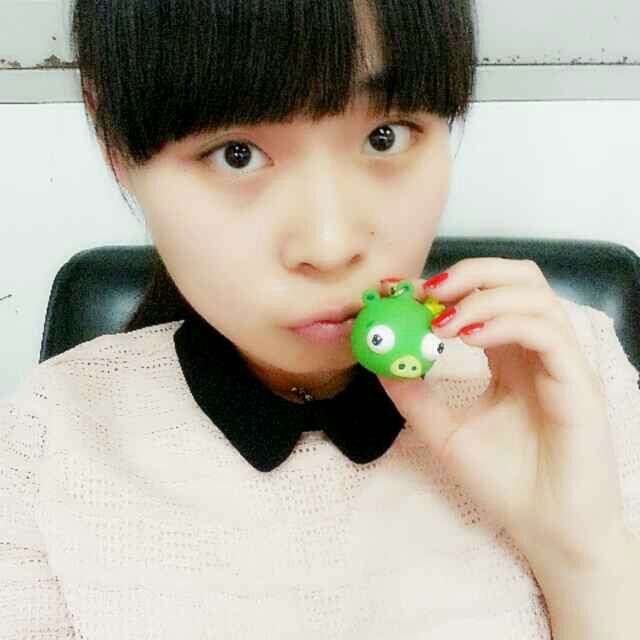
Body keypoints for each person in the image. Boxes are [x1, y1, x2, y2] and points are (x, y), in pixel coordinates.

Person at [2, 0, 639, 637]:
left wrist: (579, 556)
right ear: (113, 140)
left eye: (384, 135)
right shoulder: (45, 447)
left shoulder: (567, 379)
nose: (330, 247)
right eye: (236, 154)